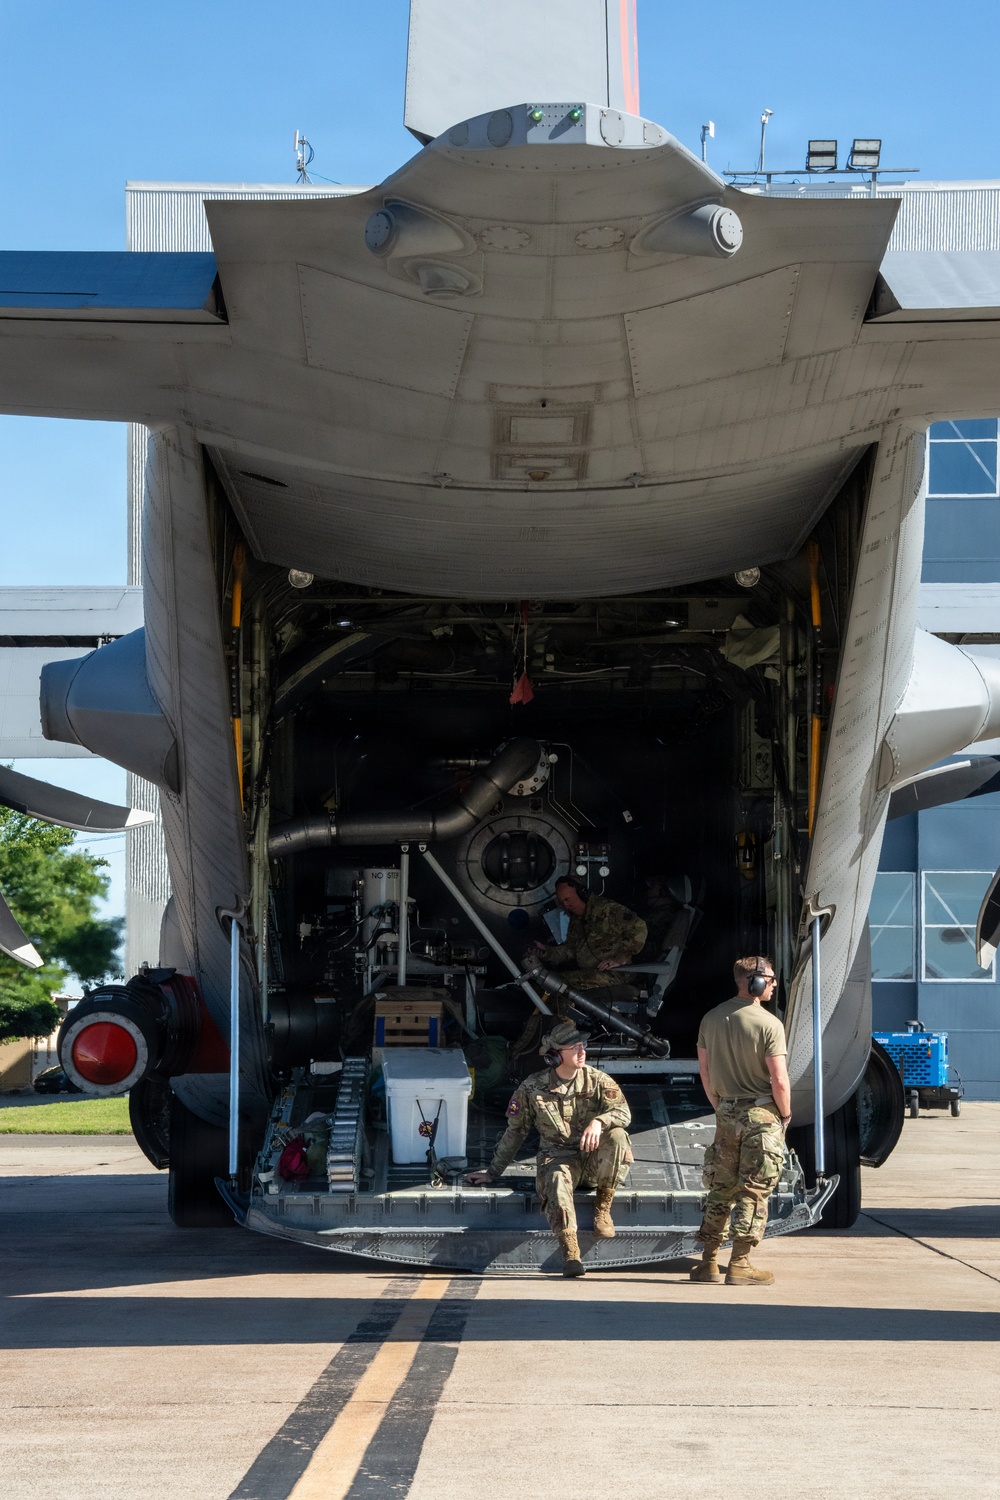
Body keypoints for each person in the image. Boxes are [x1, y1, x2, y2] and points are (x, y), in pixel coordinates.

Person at [466, 1021, 632, 1277]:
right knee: (555, 1180)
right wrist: (493, 1172)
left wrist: (600, 1122)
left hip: (592, 1162)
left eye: (583, 1045)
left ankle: (603, 1209)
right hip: (558, 1159)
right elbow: (516, 1131)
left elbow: (622, 1112)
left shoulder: (597, 1079)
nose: (582, 1051)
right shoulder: (533, 1088)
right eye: (574, 1047)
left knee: (618, 1136)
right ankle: (571, 1252)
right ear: (555, 1055)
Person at [692, 955, 791, 1287]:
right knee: (753, 1189)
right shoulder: (769, 1024)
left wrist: (721, 1105)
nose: (774, 986)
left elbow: (705, 1073)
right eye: (772, 980)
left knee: (721, 1187)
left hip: (726, 1113)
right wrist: (786, 1114)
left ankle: (707, 1263)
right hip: (762, 1115)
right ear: (757, 982)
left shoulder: (710, 1019)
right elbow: (779, 1079)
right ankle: (740, 1263)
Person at [531, 876, 647, 991]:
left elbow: (639, 926)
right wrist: (547, 952)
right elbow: (571, 950)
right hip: (592, 973)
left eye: (568, 899)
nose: (566, 906)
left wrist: (620, 958)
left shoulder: (606, 909)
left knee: (558, 982)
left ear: (582, 894)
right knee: (551, 980)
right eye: (562, 902)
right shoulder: (576, 920)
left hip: (617, 974)